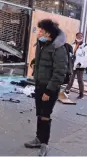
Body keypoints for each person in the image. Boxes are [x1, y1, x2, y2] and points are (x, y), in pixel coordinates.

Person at [24, 19, 68, 156]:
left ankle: (45, 144)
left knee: (45, 115)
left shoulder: (58, 48)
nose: (39, 33)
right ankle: (38, 138)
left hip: (50, 88)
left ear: (48, 33)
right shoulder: (42, 44)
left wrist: (49, 91)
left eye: (41, 30)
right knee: (39, 113)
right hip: (39, 85)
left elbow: (60, 72)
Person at [64, 32, 87, 99]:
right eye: (78, 36)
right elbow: (71, 53)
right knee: (71, 78)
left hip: (80, 66)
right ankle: (67, 90)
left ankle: (81, 94)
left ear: (82, 37)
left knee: (80, 80)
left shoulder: (84, 46)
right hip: (73, 65)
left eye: (81, 36)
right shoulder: (73, 45)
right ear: (76, 36)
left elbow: (86, 56)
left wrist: (81, 63)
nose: (79, 37)